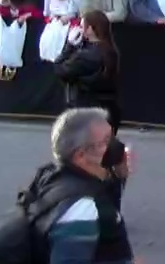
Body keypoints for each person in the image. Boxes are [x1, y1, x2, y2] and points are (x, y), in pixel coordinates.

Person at [24, 108, 134, 264]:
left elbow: (106, 220)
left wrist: (116, 177)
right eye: (106, 141)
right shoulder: (81, 209)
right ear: (81, 155)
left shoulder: (52, 173)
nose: (117, 147)